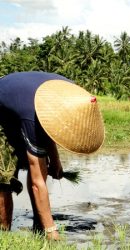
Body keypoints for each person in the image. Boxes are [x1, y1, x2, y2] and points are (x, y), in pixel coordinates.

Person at [0, 71, 104, 239]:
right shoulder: (30, 116)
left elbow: (51, 125)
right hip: (4, 110)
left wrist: (55, 160)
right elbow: (37, 182)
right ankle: (4, 235)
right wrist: (52, 232)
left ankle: (39, 224)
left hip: (21, 104)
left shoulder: (68, 91)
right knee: (5, 177)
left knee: (38, 166)